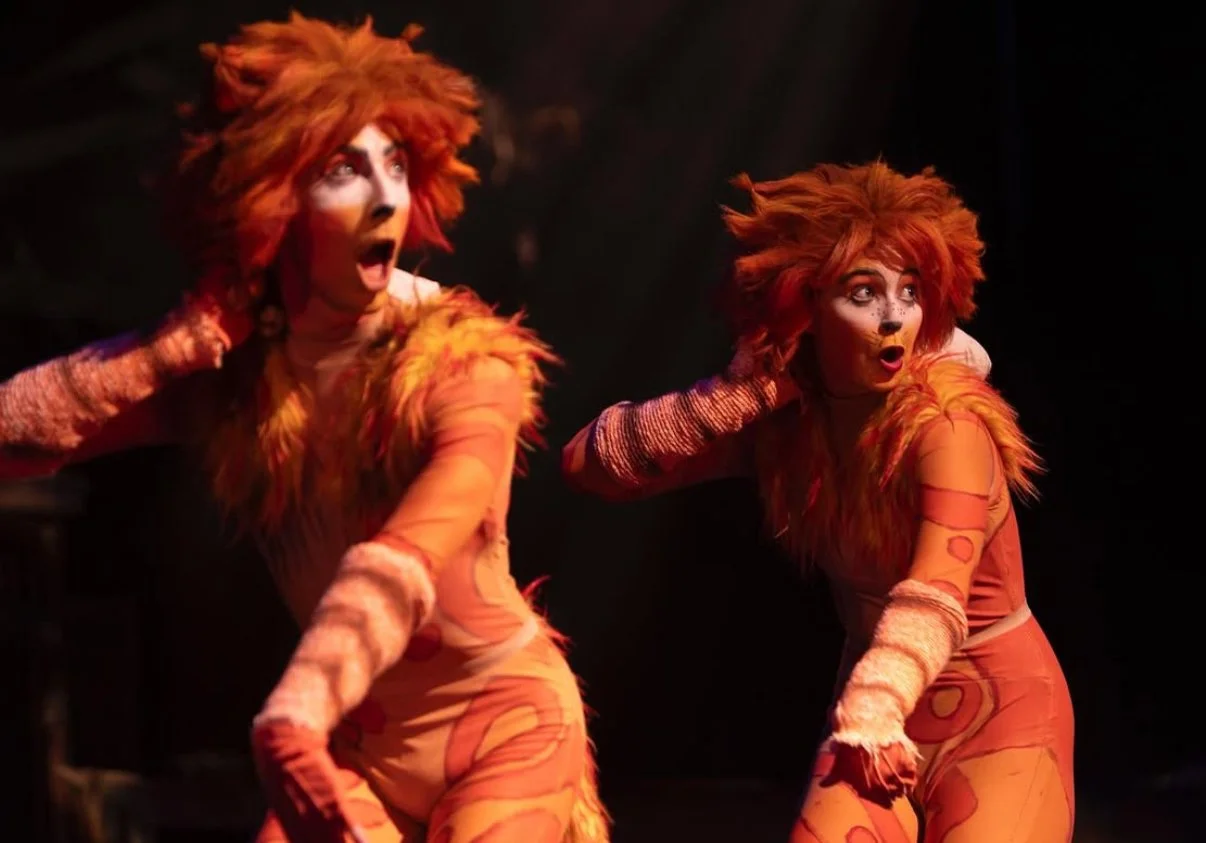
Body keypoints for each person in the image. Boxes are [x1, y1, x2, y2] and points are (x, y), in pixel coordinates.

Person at [0, 13, 607, 843]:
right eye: (345, 169)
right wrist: (158, 355)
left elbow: (402, 561)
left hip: (504, 721)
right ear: (272, 198)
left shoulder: (465, 362)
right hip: (358, 747)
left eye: (396, 165)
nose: (387, 195)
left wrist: (295, 711)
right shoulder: (235, 382)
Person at [562, 161, 1073, 842]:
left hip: (995, 716)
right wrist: (725, 401)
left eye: (910, 291)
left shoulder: (948, 424)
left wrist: (872, 710)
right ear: (804, 305)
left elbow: (934, 592)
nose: (894, 316)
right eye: (864, 292)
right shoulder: (788, 427)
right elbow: (593, 468)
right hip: (872, 703)